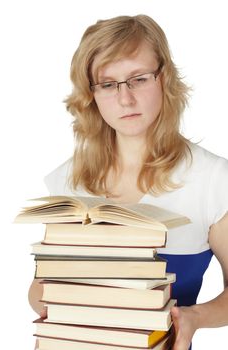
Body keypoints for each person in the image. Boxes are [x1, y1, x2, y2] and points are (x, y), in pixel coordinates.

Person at [29, 14, 228, 350]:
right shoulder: (67, 181)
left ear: (164, 78)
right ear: (91, 94)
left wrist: (194, 317)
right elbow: (40, 288)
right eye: (108, 84)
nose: (125, 99)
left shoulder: (213, 179)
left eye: (138, 79)